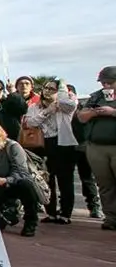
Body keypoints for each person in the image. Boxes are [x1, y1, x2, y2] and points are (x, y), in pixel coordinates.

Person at [23, 79, 77, 224]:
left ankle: (65, 214)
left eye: (52, 89)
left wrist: (61, 90)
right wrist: (47, 111)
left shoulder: (65, 104)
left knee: (65, 180)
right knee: (46, 180)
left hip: (63, 144)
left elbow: (71, 105)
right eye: (45, 88)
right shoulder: (35, 106)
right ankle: (51, 212)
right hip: (42, 145)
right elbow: (30, 123)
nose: (47, 91)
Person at [77, 66, 116, 231]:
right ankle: (111, 218)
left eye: (110, 83)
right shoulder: (96, 96)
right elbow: (81, 117)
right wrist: (94, 112)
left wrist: (112, 112)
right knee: (105, 184)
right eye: (103, 82)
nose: (106, 86)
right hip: (97, 146)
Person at [68, 84, 103, 218]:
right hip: (63, 147)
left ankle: (94, 205)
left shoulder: (83, 109)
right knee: (65, 180)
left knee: (87, 178)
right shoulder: (55, 109)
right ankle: (66, 208)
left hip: (81, 146)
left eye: (70, 93)